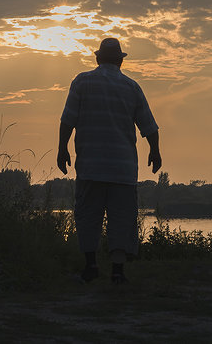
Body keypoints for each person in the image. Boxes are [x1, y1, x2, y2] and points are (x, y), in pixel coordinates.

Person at [57, 37, 161, 285]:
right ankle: (117, 270)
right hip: (123, 168)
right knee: (121, 218)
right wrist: (155, 151)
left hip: (91, 165)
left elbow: (68, 120)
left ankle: (91, 265)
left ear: (97, 59)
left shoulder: (82, 82)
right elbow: (149, 126)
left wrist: (62, 149)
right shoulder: (132, 87)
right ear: (120, 61)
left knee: (88, 215)